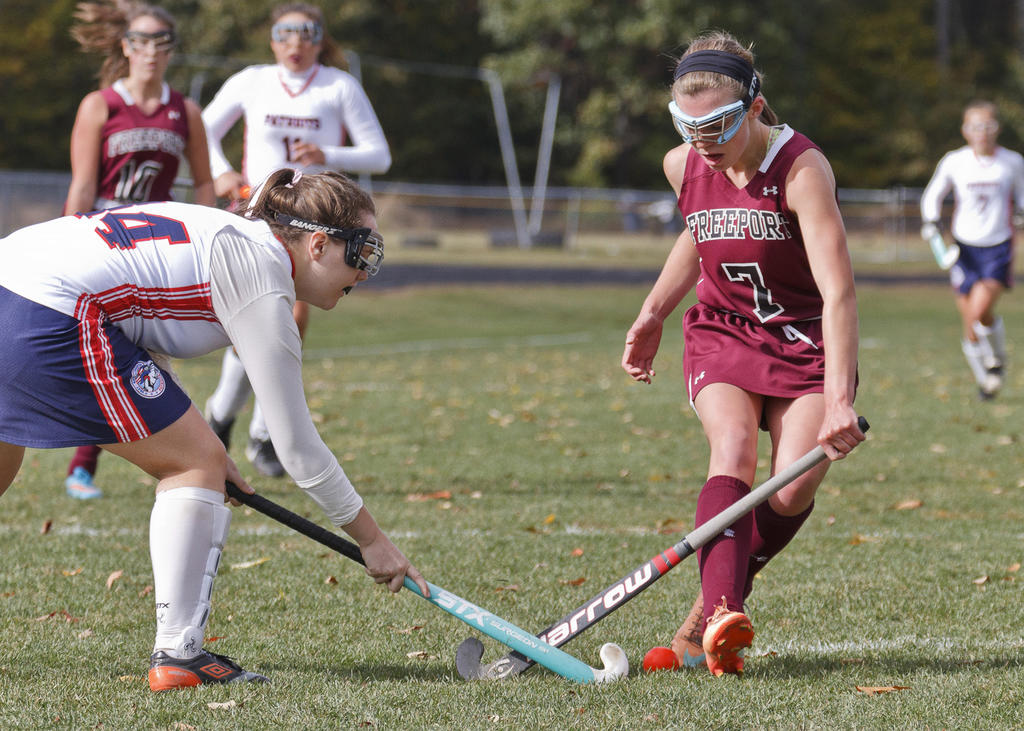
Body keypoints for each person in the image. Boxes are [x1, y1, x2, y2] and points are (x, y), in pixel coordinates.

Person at [0, 168, 428, 691]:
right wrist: (373, 541)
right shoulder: (263, 280)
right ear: (317, 244)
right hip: (48, 309)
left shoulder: (234, 238)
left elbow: (136, 326)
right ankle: (180, 653)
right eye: (361, 252)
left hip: (12, 283)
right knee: (194, 462)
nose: (364, 273)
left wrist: (197, 436)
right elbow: (297, 449)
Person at [621, 31, 865, 677]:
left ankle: (707, 611)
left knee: (794, 484)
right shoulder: (682, 163)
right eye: (688, 126)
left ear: (755, 108)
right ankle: (725, 612)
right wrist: (654, 311)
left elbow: (839, 292)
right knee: (732, 450)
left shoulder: (802, 169)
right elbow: (699, 231)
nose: (703, 140)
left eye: (718, 125)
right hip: (724, 329)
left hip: (805, 337)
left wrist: (839, 399)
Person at [201, 2, 392, 477]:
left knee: (290, 315)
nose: (295, 44)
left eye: (306, 34)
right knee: (254, 313)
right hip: (257, 213)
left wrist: (328, 152)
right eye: (284, 34)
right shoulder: (252, 80)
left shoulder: (338, 85)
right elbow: (200, 129)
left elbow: (379, 154)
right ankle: (225, 414)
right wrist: (222, 172)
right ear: (272, 40)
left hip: (313, 222)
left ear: (319, 40)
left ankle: (257, 429)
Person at [61, 0, 215, 499]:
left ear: (171, 49)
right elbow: (84, 184)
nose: (150, 50)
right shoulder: (100, 104)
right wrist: (65, 239)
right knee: (106, 350)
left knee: (148, 353)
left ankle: (183, 460)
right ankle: (87, 467)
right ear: (126, 47)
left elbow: (205, 182)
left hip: (154, 247)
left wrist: (210, 237)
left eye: (160, 41)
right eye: (141, 40)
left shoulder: (185, 111)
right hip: (104, 241)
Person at [920, 100, 1024, 401]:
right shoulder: (955, 161)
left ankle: (997, 360)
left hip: (997, 247)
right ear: (965, 130)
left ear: (998, 128)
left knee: (979, 311)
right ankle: (986, 382)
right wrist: (931, 222)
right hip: (963, 249)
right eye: (976, 126)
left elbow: (1022, 195)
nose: (983, 132)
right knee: (971, 322)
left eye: (989, 125)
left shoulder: (1012, 161)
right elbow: (932, 195)